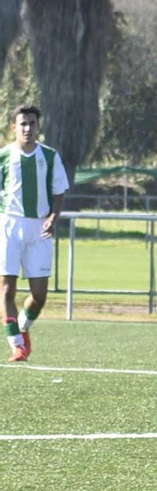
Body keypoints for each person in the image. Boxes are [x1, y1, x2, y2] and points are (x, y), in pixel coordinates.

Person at [0, 104, 68, 362]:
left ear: (39, 126)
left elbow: (59, 189)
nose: (27, 128)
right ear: (14, 127)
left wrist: (54, 216)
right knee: (7, 290)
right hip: (9, 224)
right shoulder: (4, 156)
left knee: (39, 295)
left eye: (32, 123)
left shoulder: (50, 157)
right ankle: (16, 345)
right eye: (23, 124)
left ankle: (23, 328)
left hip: (39, 227)